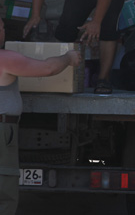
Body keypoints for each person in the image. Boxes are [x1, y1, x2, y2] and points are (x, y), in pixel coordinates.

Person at [0, 17, 81, 215]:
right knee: (4, 190)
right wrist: (69, 58)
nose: (3, 30)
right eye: (1, 26)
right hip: (2, 131)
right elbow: (48, 68)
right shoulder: (5, 59)